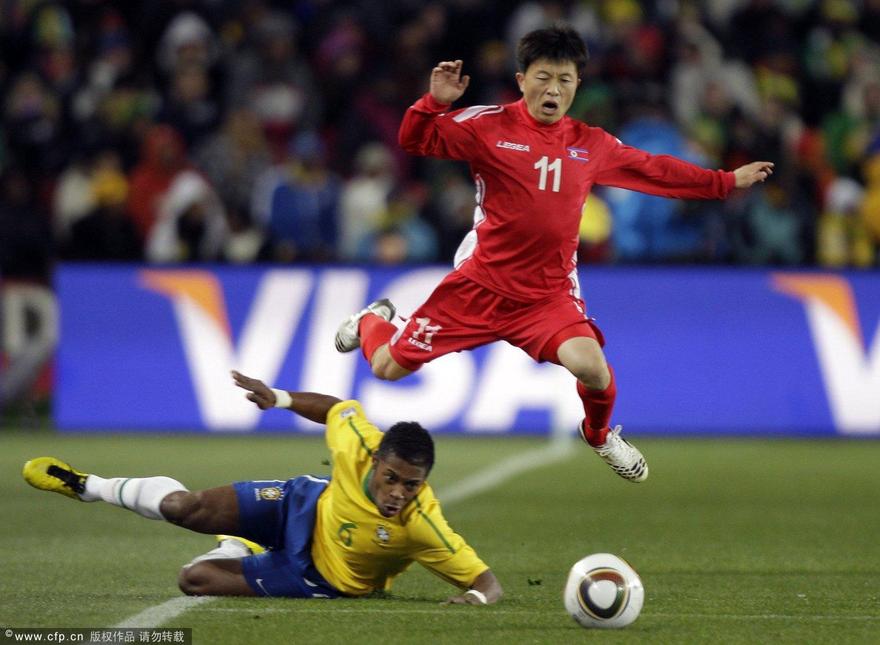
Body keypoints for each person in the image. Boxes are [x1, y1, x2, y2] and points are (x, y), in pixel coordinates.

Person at [335, 25, 775, 482]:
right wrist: (434, 103)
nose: (553, 89)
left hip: (546, 296)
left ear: (577, 85)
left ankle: (599, 435)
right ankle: (372, 319)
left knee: (593, 368)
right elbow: (415, 140)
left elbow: (654, 170)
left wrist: (725, 181)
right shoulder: (487, 125)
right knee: (386, 367)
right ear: (521, 79)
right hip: (480, 286)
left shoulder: (591, 144)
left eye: (565, 79)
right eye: (543, 77)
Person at [21, 370, 502, 605]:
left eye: (411, 485)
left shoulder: (423, 525)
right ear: (376, 461)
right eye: (391, 478)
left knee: (193, 580)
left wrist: (476, 599)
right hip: (302, 505)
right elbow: (336, 409)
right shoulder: (360, 443)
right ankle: (88, 485)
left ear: (424, 484)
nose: (398, 492)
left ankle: (238, 545)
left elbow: (486, 582)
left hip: (316, 577)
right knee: (183, 506)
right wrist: (281, 399)